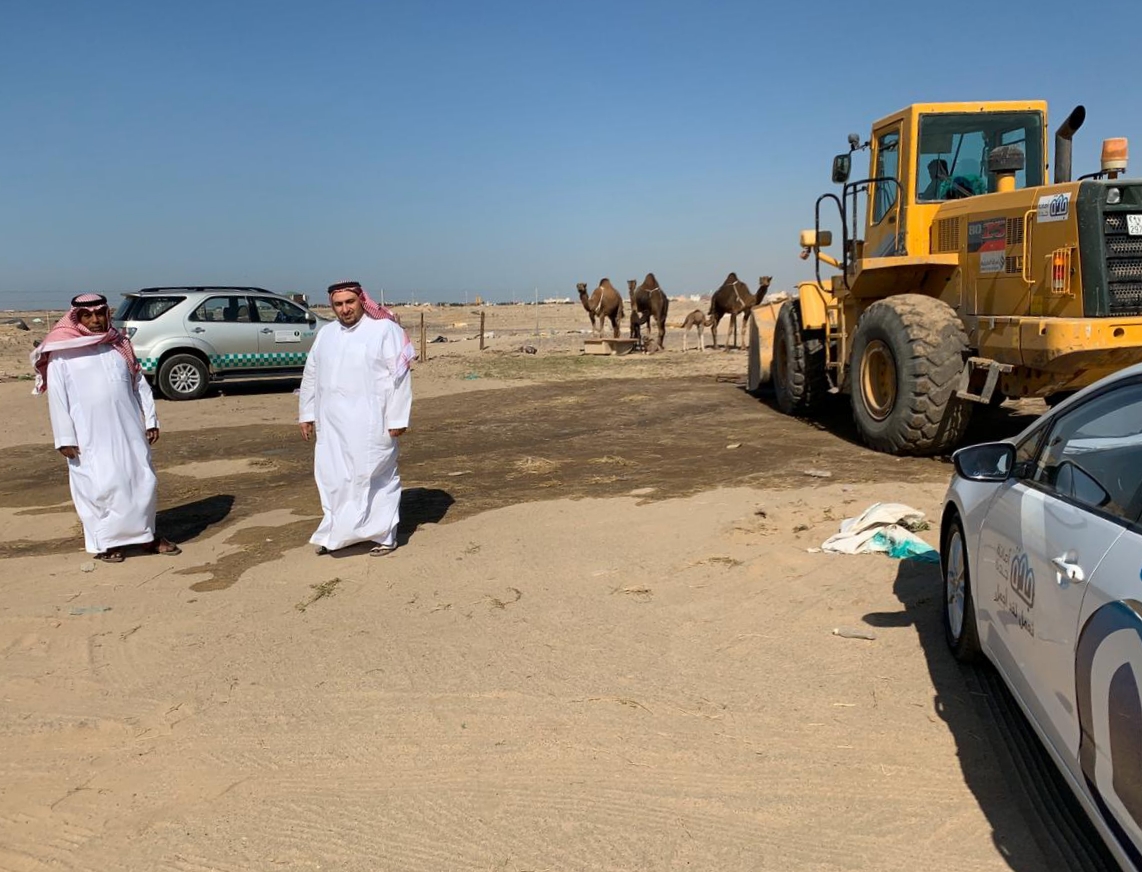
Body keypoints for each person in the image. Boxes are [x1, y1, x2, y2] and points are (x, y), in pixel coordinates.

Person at [30, 293, 181, 563]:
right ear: (76, 318)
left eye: (100, 313)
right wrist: (64, 437)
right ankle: (108, 543)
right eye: (87, 315)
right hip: (88, 434)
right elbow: (58, 397)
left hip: (130, 429)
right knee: (101, 486)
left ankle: (146, 537)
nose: (95, 320)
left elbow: (138, 383)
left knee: (142, 481)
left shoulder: (119, 344)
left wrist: (150, 419)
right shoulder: (62, 353)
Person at [298, 281, 416, 556]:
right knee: (334, 477)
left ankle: (384, 535)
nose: (345, 309)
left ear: (362, 301)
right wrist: (306, 414)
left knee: (374, 475)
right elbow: (311, 375)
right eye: (338, 304)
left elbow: (399, 376)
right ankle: (338, 534)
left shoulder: (384, 329)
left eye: (350, 302)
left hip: (372, 421)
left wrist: (398, 418)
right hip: (331, 424)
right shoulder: (326, 334)